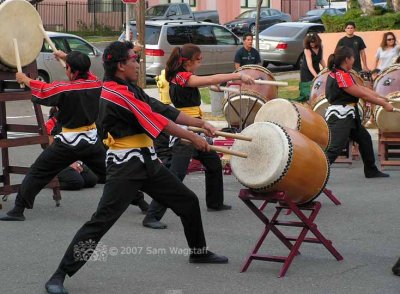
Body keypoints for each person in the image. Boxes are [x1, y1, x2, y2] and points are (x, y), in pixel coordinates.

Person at [45, 41, 230, 294]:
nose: (137, 62)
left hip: (147, 161)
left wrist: (198, 123)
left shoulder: (128, 87)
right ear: (121, 65)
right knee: (100, 222)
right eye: (134, 59)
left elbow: (161, 108)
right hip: (125, 166)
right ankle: (59, 275)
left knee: (187, 201)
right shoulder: (116, 93)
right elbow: (158, 121)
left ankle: (198, 252)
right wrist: (194, 137)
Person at [142, 43, 255, 229]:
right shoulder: (183, 77)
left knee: (212, 163)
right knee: (176, 175)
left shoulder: (178, 75)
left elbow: (208, 81)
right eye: (198, 60)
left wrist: (215, 85)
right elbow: (211, 78)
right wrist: (239, 75)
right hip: (187, 129)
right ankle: (152, 215)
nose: (200, 64)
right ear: (187, 62)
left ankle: (215, 202)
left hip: (194, 125)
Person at [0, 50, 107, 222]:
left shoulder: (64, 89)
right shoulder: (95, 83)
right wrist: (65, 57)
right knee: (113, 173)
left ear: (71, 70)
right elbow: (85, 72)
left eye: (68, 68)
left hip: (67, 143)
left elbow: (43, 89)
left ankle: (18, 210)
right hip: (91, 140)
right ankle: (141, 202)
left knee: (37, 172)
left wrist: (24, 79)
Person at [324, 46, 394, 178]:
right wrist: (384, 104)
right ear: (347, 59)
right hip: (341, 116)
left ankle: (371, 170)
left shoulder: (342, 74)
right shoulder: (340, 75)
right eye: (353, 58)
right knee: (335, 149)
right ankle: (313, 174)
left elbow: (361, 89)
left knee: (365, 139)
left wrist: (381, 96)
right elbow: (363, 95)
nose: (353, 61)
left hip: (349, 114)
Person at [296, 32, 326, 102]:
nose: (311, 44)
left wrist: (326, 68)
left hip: (316, 68)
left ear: (317, 41)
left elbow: (321, 59)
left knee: (318, 85)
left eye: (313, 42)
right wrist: (316, 76)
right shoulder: (307, 50)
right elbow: (310, 66)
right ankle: (307, 101)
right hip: (307, 71)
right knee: (308, 88)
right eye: (310, 42)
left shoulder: (320, 47)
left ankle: (316, 99)